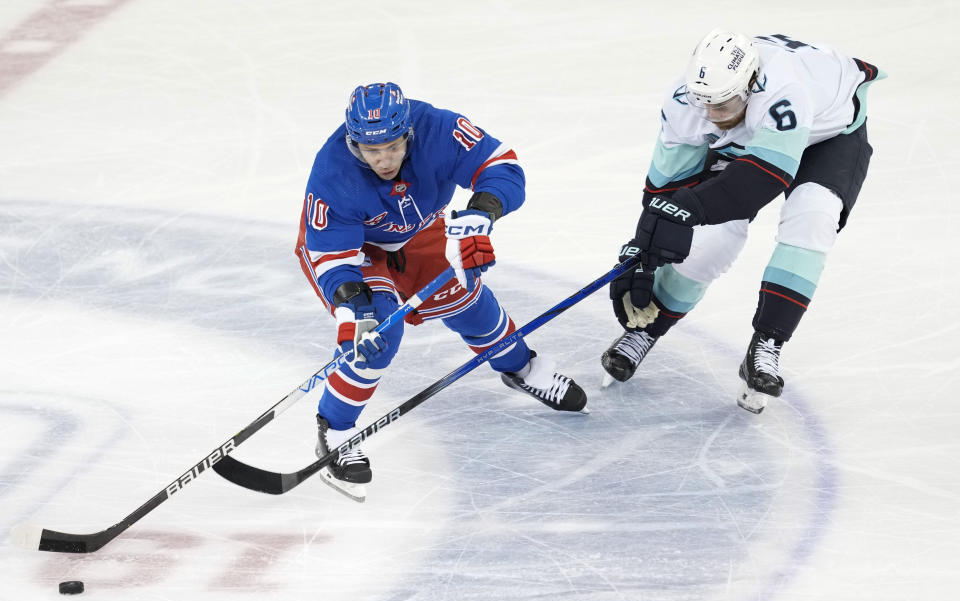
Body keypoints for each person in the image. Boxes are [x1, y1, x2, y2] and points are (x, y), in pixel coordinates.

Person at [296, 82, 587, 498]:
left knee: (472, 306)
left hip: (419, 231)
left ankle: (522, 369)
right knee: (376, 334)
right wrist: (352, 311)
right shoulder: (333, 170)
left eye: (393, 148)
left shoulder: (437, 128)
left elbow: (501, 166)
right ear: (353, 142)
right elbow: (330, 256)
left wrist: (481, 214)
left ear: (408, 133)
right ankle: (336, 430)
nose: (383, 160)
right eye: (370, 151)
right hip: (356, 250)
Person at [602, 31, 885, 413]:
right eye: (705, 105)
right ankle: (647, 330)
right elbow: (664, 192)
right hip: (758, 133)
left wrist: (685, 210)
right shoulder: (686, 101)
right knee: (713, 240)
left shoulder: (784, 90)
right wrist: (643, 252)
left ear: (751, 83)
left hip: (829, 133)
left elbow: (763, 179)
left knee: (813, 215)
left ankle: (768, 342)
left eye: (724, 103)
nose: (713, 116)